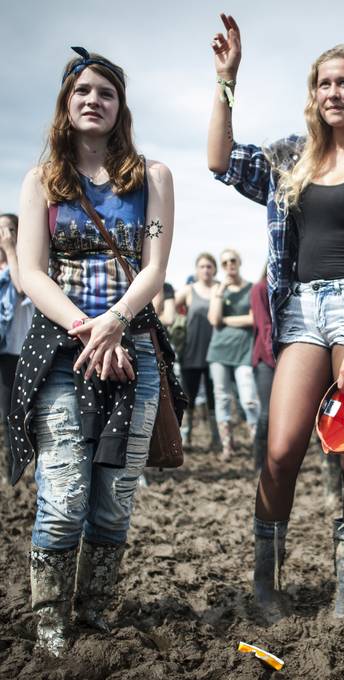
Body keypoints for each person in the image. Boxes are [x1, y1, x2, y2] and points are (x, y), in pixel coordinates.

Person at [207, 15, 344, 620]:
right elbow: (221, 161)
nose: (333, 93)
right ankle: (266, 589)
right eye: (323, 84)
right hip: (301, 307)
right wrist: (227, 81)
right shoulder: (291, 157)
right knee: (279, 452)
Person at [13, 47, 175, 655]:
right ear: (65, 103)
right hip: (63, 351)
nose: (93, 100)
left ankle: (99, 609)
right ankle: (50, 618)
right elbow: (30, 272)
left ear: (119, 106)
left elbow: (154, 268)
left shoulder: (153, 177)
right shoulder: (41, 181)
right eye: (81, 90)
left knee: (113, 498)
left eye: (105, 92)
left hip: (136, 349)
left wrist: (116, 322)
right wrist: (89, 327)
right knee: (64, 495)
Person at [206, 247, 258, 458]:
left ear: (239, 262)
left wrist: (226, 321)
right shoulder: (218, 289)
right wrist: (220, 291)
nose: (230, 266)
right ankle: (228, 446)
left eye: (233, 261)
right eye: (225, 263)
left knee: (249, 398)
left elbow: (254, 319)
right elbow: (213, 319)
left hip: (244, 349)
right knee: (222, 397)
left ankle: (257, 444)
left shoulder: (252, 289)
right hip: (219, 350)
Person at [175, 253, 221, 450]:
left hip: (216, 352)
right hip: (191, 351)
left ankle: (217, 439)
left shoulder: (220, 289)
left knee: (214, 398)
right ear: (196, 269)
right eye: (202, 266)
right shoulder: (188, 290)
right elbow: (169, 306)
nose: (206, 270)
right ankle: (185, 439)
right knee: (188, 396)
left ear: (214, 269)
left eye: (209, 266)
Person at [0, 214, 34, 481]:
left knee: (25, 413)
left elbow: (22, 288)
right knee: (6, 415)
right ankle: (12, 467)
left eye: (10, 229)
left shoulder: (25, 265)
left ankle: (26, 465)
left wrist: (12, 250)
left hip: (24, 352)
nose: (5, 235)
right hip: (4, 353)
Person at [250, 266, 275, 471]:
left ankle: (275, 458)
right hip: (266, 359)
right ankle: (259, 461)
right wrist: (274, 354)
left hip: (284, 357)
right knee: (266, 413)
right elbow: (264, 324)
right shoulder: (259, 289)